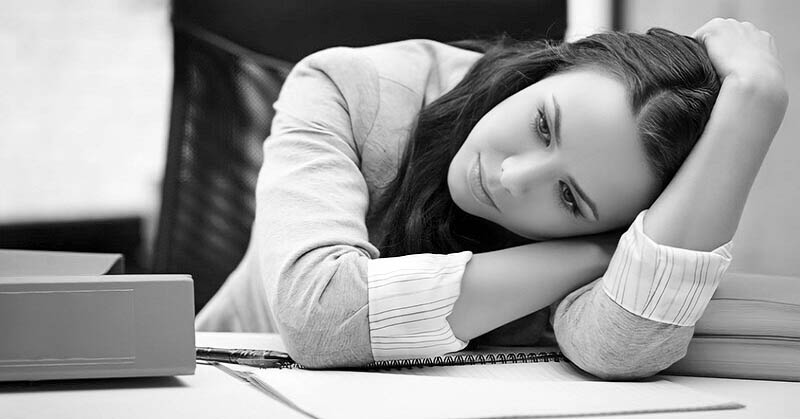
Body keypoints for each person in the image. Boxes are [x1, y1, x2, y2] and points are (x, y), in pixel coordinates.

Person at [195, 18, 788, 379]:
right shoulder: (349, 88)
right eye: (542, 126)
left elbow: (618, 349)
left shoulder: (612, 208)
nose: (512, 178)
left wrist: (752, 109)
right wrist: (599, 252)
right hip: (225, 383)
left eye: (568, 197)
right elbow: (319, 316)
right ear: (540, 73)